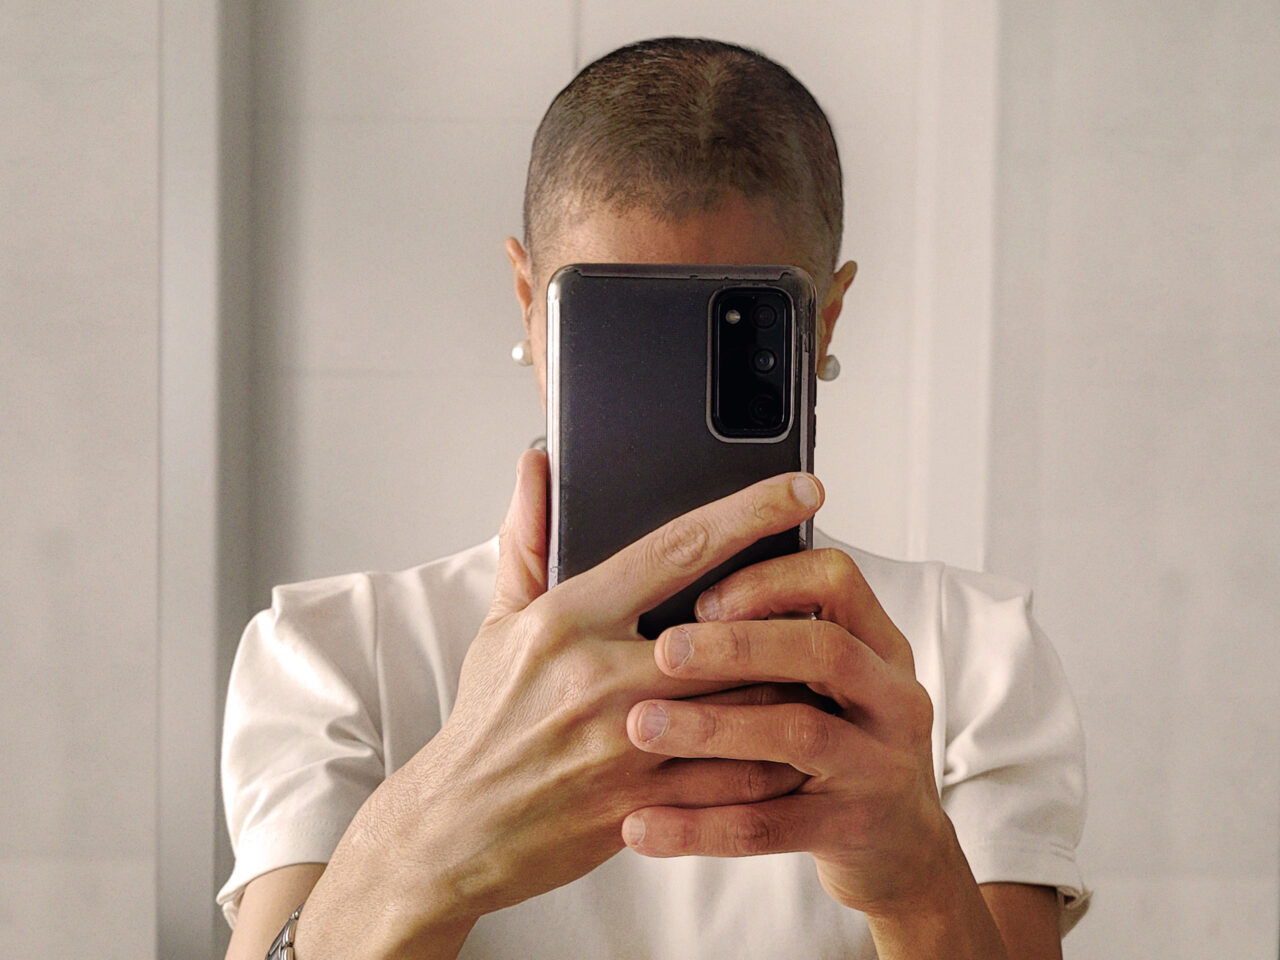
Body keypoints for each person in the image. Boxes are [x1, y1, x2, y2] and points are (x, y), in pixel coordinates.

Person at [219, 37, 1088, 960]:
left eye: (733, 317)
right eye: (621, 329)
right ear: (528, 303)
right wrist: (434, 837)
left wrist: (920, 890)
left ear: (824, 321)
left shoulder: (973, 658)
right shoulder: (329, 657)